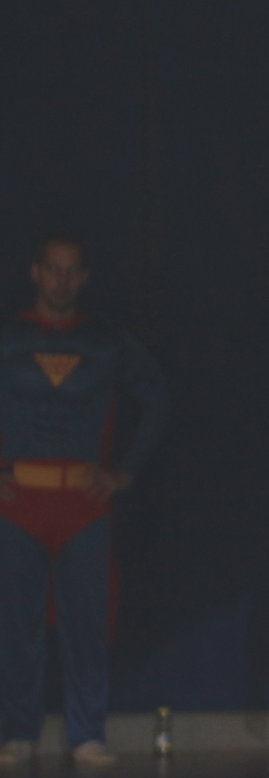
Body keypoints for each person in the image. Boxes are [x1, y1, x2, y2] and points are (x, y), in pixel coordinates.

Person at [0, 237, 168, 769]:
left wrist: (125, 471)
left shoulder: (106, 342)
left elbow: (157, 399)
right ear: (35, 272)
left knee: (88, 626)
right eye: (53, 269)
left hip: (83, 502)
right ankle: (17, 732)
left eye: (71, 270)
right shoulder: (8, 337)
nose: (62, 280)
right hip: (18, 501)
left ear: (85, 277)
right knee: (15, 626)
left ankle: (87, 734)